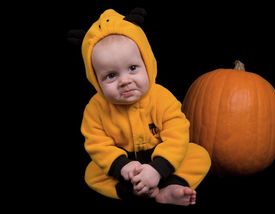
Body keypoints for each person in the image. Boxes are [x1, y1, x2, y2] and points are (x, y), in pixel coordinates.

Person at [80, 8, 211, 206]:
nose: (124, 81)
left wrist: (157, 169)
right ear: (96, 80)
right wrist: (123, 167)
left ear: (147, 63)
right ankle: (138, 190)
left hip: (162, 159)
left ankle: (171, 186)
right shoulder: (95, 109)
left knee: (198, 155)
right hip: (126, 167)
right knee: (92, 173)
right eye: (111, 75)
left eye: (132, 68)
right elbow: (97, 144)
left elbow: (177, 133)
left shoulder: (162, 97)